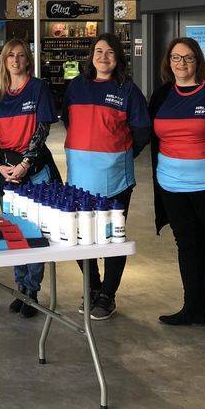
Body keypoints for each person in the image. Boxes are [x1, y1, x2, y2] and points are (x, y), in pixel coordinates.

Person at [149, 37, 205, 326]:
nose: (182, 63)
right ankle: (191, 305)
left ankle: (204, 300)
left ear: (198, 61)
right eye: (176, 58)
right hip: (171, 185)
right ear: (169, 63)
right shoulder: (161, 95)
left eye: (188, 58)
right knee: (186, 243)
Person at [63, 33, 150, 321]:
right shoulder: (76, 87)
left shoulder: (128, 90)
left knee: (112, 238)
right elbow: (68, 119)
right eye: (98, 51)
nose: (103, 57)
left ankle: (108, 295)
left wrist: (119, 154)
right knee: (79, 236)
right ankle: (92, 286)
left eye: (110, 52)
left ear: (118, 58)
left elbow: (141, 132)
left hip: (115, 179)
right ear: (91, 56)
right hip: (79, 177)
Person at [0, 38, 60, 318]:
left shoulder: (39, 88)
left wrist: (26, 163)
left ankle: (32, 290)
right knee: (14, 231)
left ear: (28, 60)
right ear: (4, 61)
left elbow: (41, 130)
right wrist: (0, 165)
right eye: (9, 56)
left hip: (35, 168)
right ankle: (20, 287)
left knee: (36, 231)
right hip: (7, 170)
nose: (15, 61)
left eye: (20, 56)